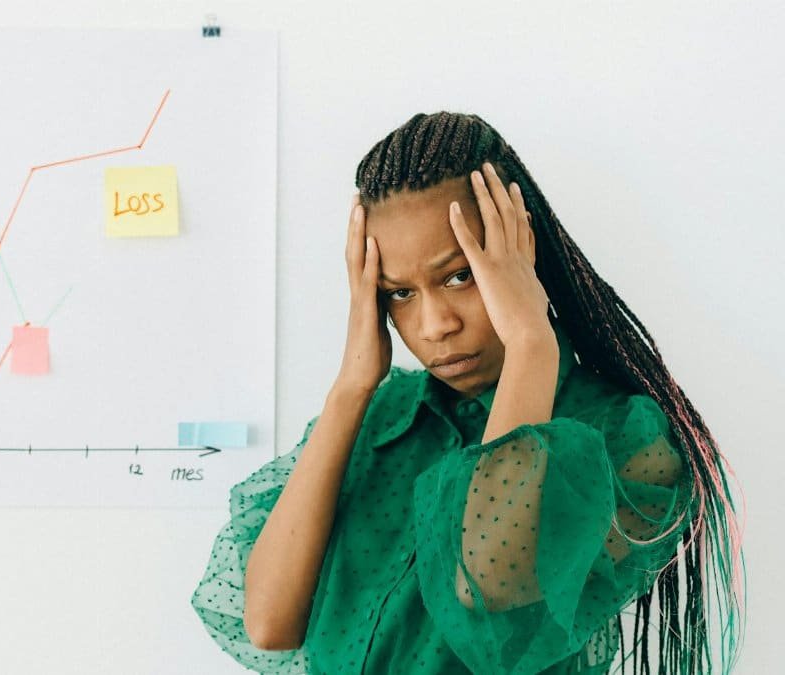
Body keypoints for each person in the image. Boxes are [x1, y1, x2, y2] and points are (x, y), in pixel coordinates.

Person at [190, 112, 745, 674]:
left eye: (460, 277)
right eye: (399, 293)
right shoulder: (375, 421)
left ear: (520, 249)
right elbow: (268, 623)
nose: (433, 326)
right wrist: (350, 388)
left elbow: (485, 593)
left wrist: (530, 341)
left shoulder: (625, 442)